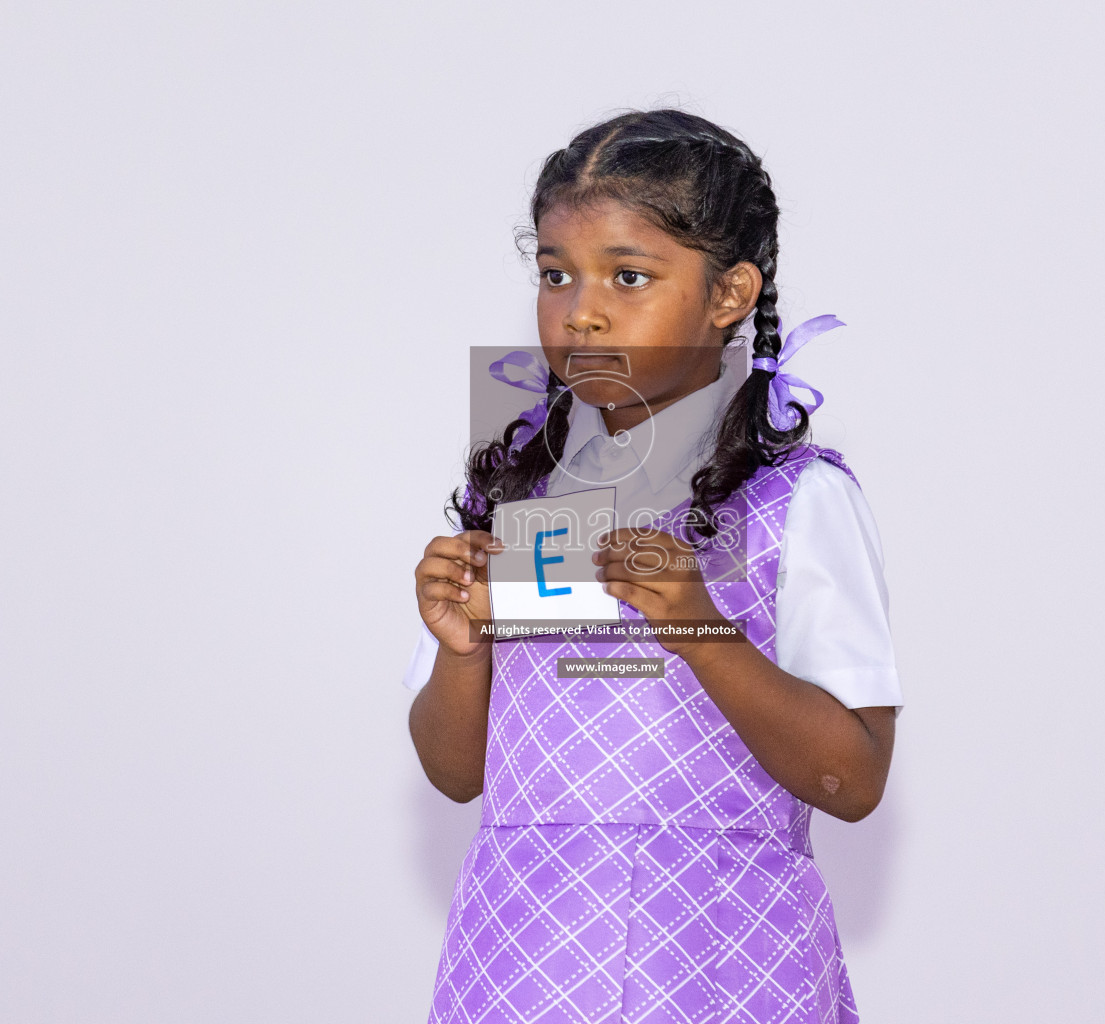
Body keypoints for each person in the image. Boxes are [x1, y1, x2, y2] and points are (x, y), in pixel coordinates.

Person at [405, 108, 903, 1024]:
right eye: (556, 275)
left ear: (729, 294)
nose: (581, 308)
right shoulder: (524, 497)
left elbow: (856, 779)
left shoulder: (799, 502)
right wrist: (463, 648)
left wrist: (704, 634)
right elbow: (458, 774)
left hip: (725, 962)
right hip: (527, 960)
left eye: (628, 276)